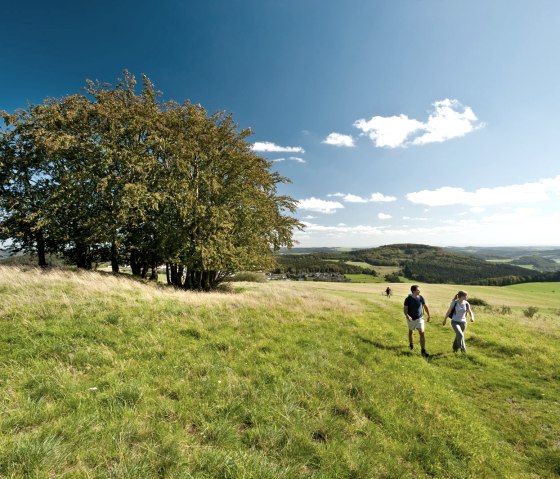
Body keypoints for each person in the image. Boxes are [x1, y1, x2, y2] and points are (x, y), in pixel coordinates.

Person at [403, 285, 431, 357]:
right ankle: (411, 345)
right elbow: (405, 309)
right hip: (411, 319)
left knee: (422, 333)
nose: (419, 291)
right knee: (411, 331)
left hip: (420, 318)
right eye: (418, 290)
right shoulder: (408, 299)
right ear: (414, 291)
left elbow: (425, 306)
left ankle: (423, 351)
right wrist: (407, 315)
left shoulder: (421, 297)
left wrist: (428, 315)